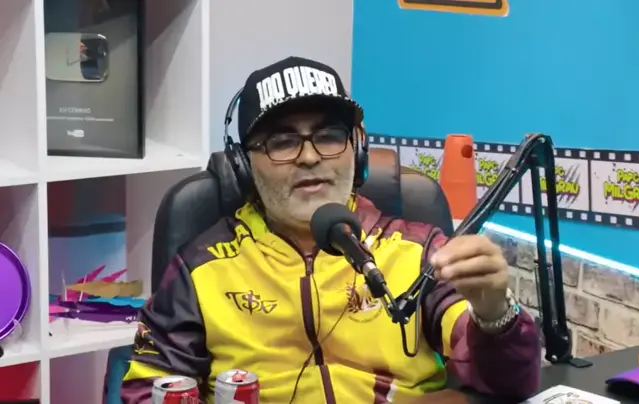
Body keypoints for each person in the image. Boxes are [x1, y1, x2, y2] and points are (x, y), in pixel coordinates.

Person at [121, 56, 541, 403]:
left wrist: (494, 313)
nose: (309, 157)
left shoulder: (418, 250)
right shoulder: (200, 268)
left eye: (328, 136)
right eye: (282, 142)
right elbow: (148, 388)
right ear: (244, 165)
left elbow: (508, 384)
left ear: (356, 151)